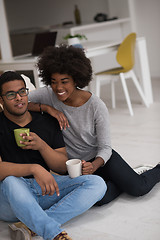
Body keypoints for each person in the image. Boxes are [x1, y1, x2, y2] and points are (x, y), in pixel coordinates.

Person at [28, 44, 160, 206]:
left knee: (139, 188)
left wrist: (94, 165)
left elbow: (105, 147)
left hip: (100, 158)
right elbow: (19, 103)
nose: (58, 87)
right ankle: (124, 178)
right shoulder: (48, 94)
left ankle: (154, 170)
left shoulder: (96, 106)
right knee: (100, 199)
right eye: (54, 81)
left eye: (64, 81)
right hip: (74, 165)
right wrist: (47, 108)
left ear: (76, 79)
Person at [0, 71, 107, 240]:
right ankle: (54, 233)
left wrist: (42, 146)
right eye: (11, 94)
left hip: (43, 189)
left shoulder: (46, 122)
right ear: (1, 99)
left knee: (97, 184)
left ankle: (32, 225)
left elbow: (60, 166)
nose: (19, 98)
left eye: (22, 92)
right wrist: (35, 169)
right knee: (11, 181)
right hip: (9, 198)